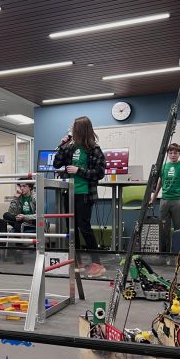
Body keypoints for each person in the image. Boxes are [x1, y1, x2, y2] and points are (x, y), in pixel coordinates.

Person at [53, 116, 107, 278]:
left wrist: (79, 171)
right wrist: (61, 146)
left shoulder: (94, 150)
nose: (71, 130)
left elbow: (99, 173)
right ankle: (77, 262)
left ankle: (97, 263)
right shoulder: (70, 148)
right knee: (72, 228)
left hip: (84, 193)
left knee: (84, 227)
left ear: (81, 130)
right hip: (68, 192)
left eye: (74, 127)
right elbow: (56, 164)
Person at [150, 143, 180, 252]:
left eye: (175, 153)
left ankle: (179, 251)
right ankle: (166, 252)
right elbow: (160, 183)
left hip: (178, 200)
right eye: (171, 153)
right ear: (168, 154)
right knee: (164, 229)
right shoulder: (164, 166)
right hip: (164, 200)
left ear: (179, 154)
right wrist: (154, 198)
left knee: (179, 228)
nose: (173, 155)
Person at [3, 179, 37, 264]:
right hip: (20, 220)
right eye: (20, 186)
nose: (22, 188)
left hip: (32, 221)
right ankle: (19, 248)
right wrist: (15, 198)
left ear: (30, 187)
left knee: (18, 223)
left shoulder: (35, 197)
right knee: (5, 215)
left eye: (24, 186)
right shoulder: (20, 197)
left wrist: (25, 217)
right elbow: (11, 213)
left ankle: (18, 253)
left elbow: (39, 215)